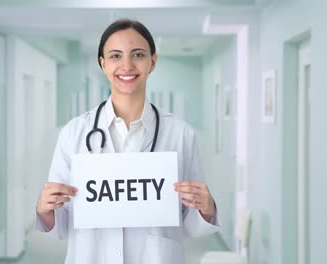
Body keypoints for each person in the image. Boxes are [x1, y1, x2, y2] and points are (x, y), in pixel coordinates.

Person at [36, 18, 220, 264]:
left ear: (152, 62)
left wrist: (207, 208)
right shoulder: (74, 133)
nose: (127, 65)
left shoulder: (180, 133)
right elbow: (60, 223)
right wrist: (45, 209)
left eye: (138, 54)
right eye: (115, 56)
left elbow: (190, 222)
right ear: (102, 63)